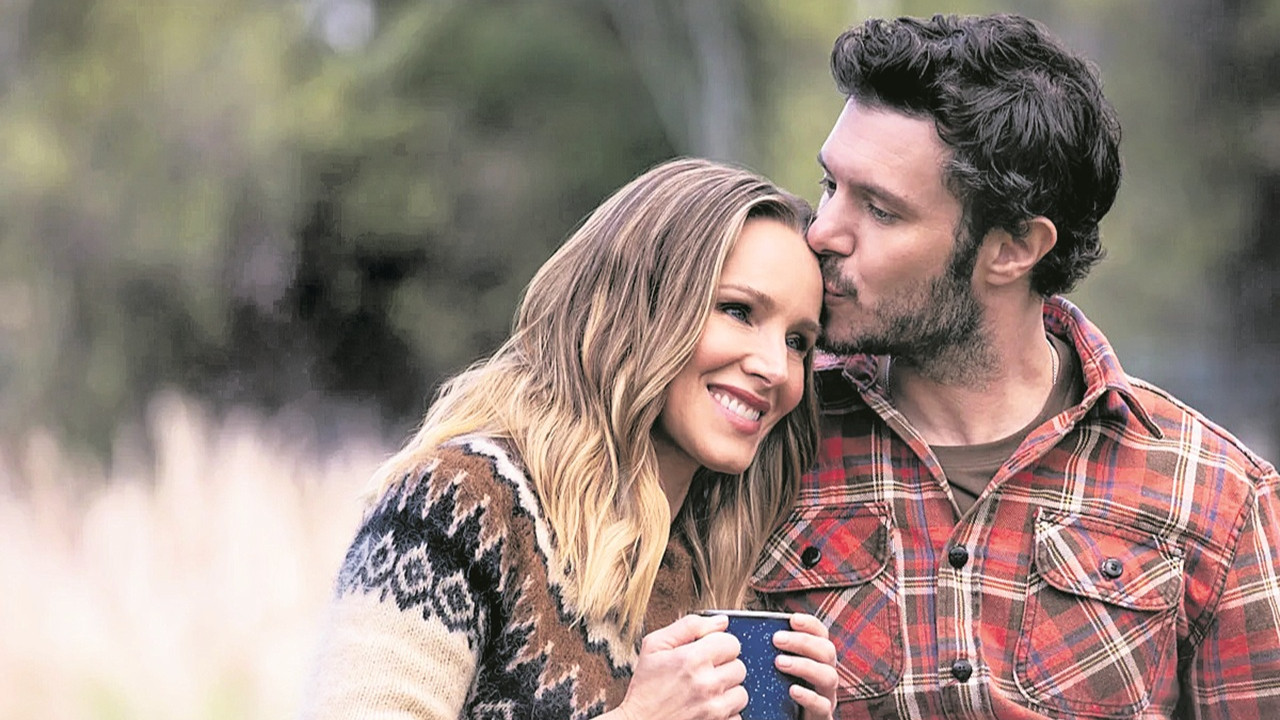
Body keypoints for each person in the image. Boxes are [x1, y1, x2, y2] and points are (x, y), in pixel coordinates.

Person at [751, 13, 1280, 719]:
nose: (821, 233)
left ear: (1013, 249)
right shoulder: (767, 438)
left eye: (879, 210)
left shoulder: (1218, 497)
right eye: (829, 186)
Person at [300, 157, 839, 720]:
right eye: (738, 310)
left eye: (798, 342)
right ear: (640, 307)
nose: (776, 368)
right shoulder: (458, 504)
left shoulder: (716, 581)